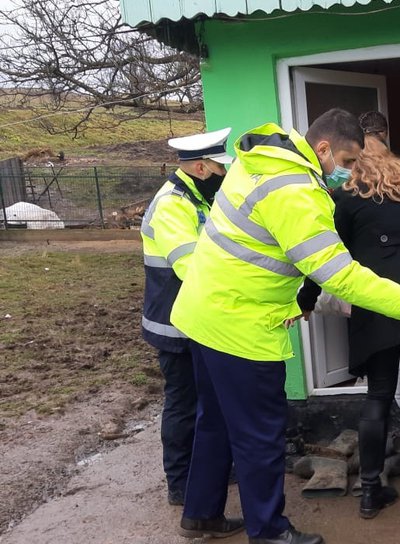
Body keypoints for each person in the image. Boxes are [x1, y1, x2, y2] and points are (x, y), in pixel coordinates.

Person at [168, 109, 400, 544]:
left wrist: (291, 299)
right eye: (348, 162)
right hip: (241, 327)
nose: (349, 173)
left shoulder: (257, 162)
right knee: (260, 437)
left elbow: (256, 248)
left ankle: (201, 514)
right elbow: (338, 274)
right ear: (324, 148)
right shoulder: (296, 190)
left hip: (204, 313)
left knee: (214, 422)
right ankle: (270, 532)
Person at [296, 134, 400, 518]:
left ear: (353, 163)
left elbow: (325, 258)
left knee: (379, 395)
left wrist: (305, 301)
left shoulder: (345, 199)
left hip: (378, 300)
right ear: (392, 159)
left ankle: (370, 491)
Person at [139, 127, 232, 506]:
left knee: (207, 400)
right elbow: (190, 267)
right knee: (182, 404)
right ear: (200, 168)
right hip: (175, 326)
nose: (225, 175)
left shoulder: (197, 199)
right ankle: (180, 483)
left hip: (198, 322)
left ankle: (213, 470)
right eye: (219, 168)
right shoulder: (173, 205)